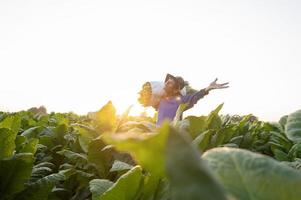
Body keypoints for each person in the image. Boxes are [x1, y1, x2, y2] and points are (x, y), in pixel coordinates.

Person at [156, 73, 229, 125]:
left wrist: (208, 88)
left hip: (171, 138)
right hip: (157, 137)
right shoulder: (161, 100)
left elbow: (195, 96)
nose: (166, 84)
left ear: (176, 90)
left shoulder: (180, 100)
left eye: (170, 83)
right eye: (167, 82)